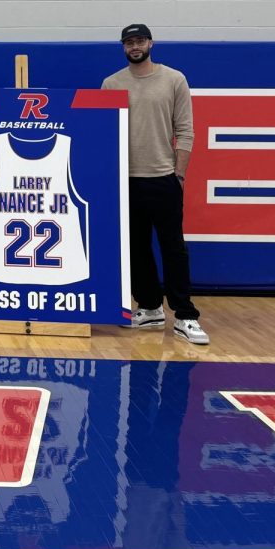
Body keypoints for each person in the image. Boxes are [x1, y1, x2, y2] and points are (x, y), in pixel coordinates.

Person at [102, 23, 209, 345]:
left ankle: (185, 316)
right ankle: (149, 307)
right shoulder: (111, 84)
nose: (135, 46)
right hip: (126, 180)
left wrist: (178, 175)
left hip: (163, 178)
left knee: (173, 248)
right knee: (136, 249)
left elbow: (186, 130)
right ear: (123, 47)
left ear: (151, 43)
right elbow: (106, 134)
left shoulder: (174, 79)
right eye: (129, 42)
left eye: (140, 40)